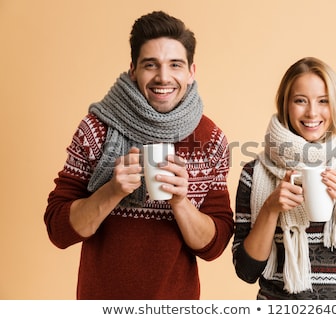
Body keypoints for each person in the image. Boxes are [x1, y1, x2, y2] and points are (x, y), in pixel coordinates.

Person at [44, 11, 234, 300]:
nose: (163, 77)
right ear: (133, 69)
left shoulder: (209, 139)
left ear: (191, 72)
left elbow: (215, 244)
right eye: (150, 65)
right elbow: (59, 230)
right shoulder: (96, 129)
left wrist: (181, 202)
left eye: (175, 65)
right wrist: (112, 190)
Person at [232, 57, 336, 299]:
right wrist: (270, 208)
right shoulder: (255, 173)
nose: (312, 112)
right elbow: (246, 270)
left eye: (323, 101)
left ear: (335, 105)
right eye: (300, 101)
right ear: (285, 104)